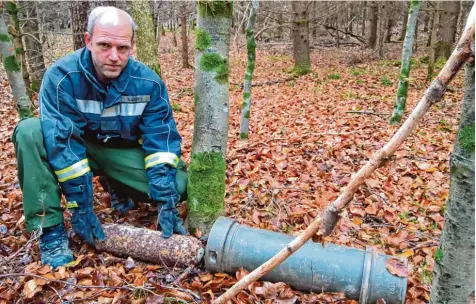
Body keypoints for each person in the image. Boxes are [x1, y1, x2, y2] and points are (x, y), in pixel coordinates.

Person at [12, 6, 188, 269]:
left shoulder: (148, 82)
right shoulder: (62, 78)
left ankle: (117, 185)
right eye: (104, 45)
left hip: (120, 151)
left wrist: (165, 198)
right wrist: (80, 207)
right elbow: (64, 146)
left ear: (132, 46)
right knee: (29, 131)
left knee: (181, 184)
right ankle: (50, 231)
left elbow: (161, 138)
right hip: (77, 149)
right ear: (88, 41)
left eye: (123, 48)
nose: (114, 57)